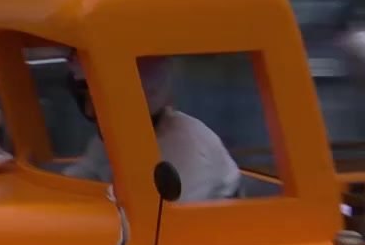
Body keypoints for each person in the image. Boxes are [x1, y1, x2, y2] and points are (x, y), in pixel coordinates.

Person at [63, 53, 242, 202]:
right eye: (83, 97)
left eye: (95, 98)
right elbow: (82, 176)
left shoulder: (185, 145)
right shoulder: (116, 136)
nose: (88, 109)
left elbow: (172, 219)